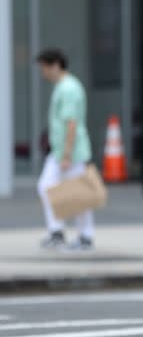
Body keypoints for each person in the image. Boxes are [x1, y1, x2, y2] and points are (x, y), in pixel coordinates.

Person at [36, 49, 95, 251]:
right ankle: (70, 234)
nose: (43, 72)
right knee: (68, 191)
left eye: (44, 67)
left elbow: (71, 123)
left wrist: (67, 154)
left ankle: (72, 234)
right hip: (64, 151)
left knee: (63, 190)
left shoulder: (68, 88)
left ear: (55, 65)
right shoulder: (66, 86)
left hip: (70, 152)